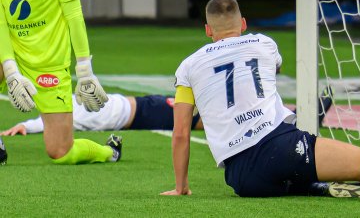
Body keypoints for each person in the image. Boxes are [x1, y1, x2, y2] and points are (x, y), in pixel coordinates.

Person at [160, 0, 360, 204]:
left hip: (242, 178)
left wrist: (181, 187)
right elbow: (271, 70)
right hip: (282, 147)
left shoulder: (188, 66)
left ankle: (313, 186)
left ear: (208, 30)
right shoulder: (264, 44)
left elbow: (181, 133)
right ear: (243, 24)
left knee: (285, 180)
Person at [0, 0, 119, 165]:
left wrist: (85, 71)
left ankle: (109, 151)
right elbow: (1, 22)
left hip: (48, 64)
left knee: (60, 152)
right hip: (12, 54)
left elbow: (74, 16)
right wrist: (10, 70)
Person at [1, 90, 334, 136]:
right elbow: (50, 122)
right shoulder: (63, 115)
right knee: (217, 117)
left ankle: (294, 116)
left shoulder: (63, 110)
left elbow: (50, 121)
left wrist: (26, 126)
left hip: (145, 108)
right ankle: (295, 117)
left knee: (216, 116)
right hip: (146, 113)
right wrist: (27, 127)